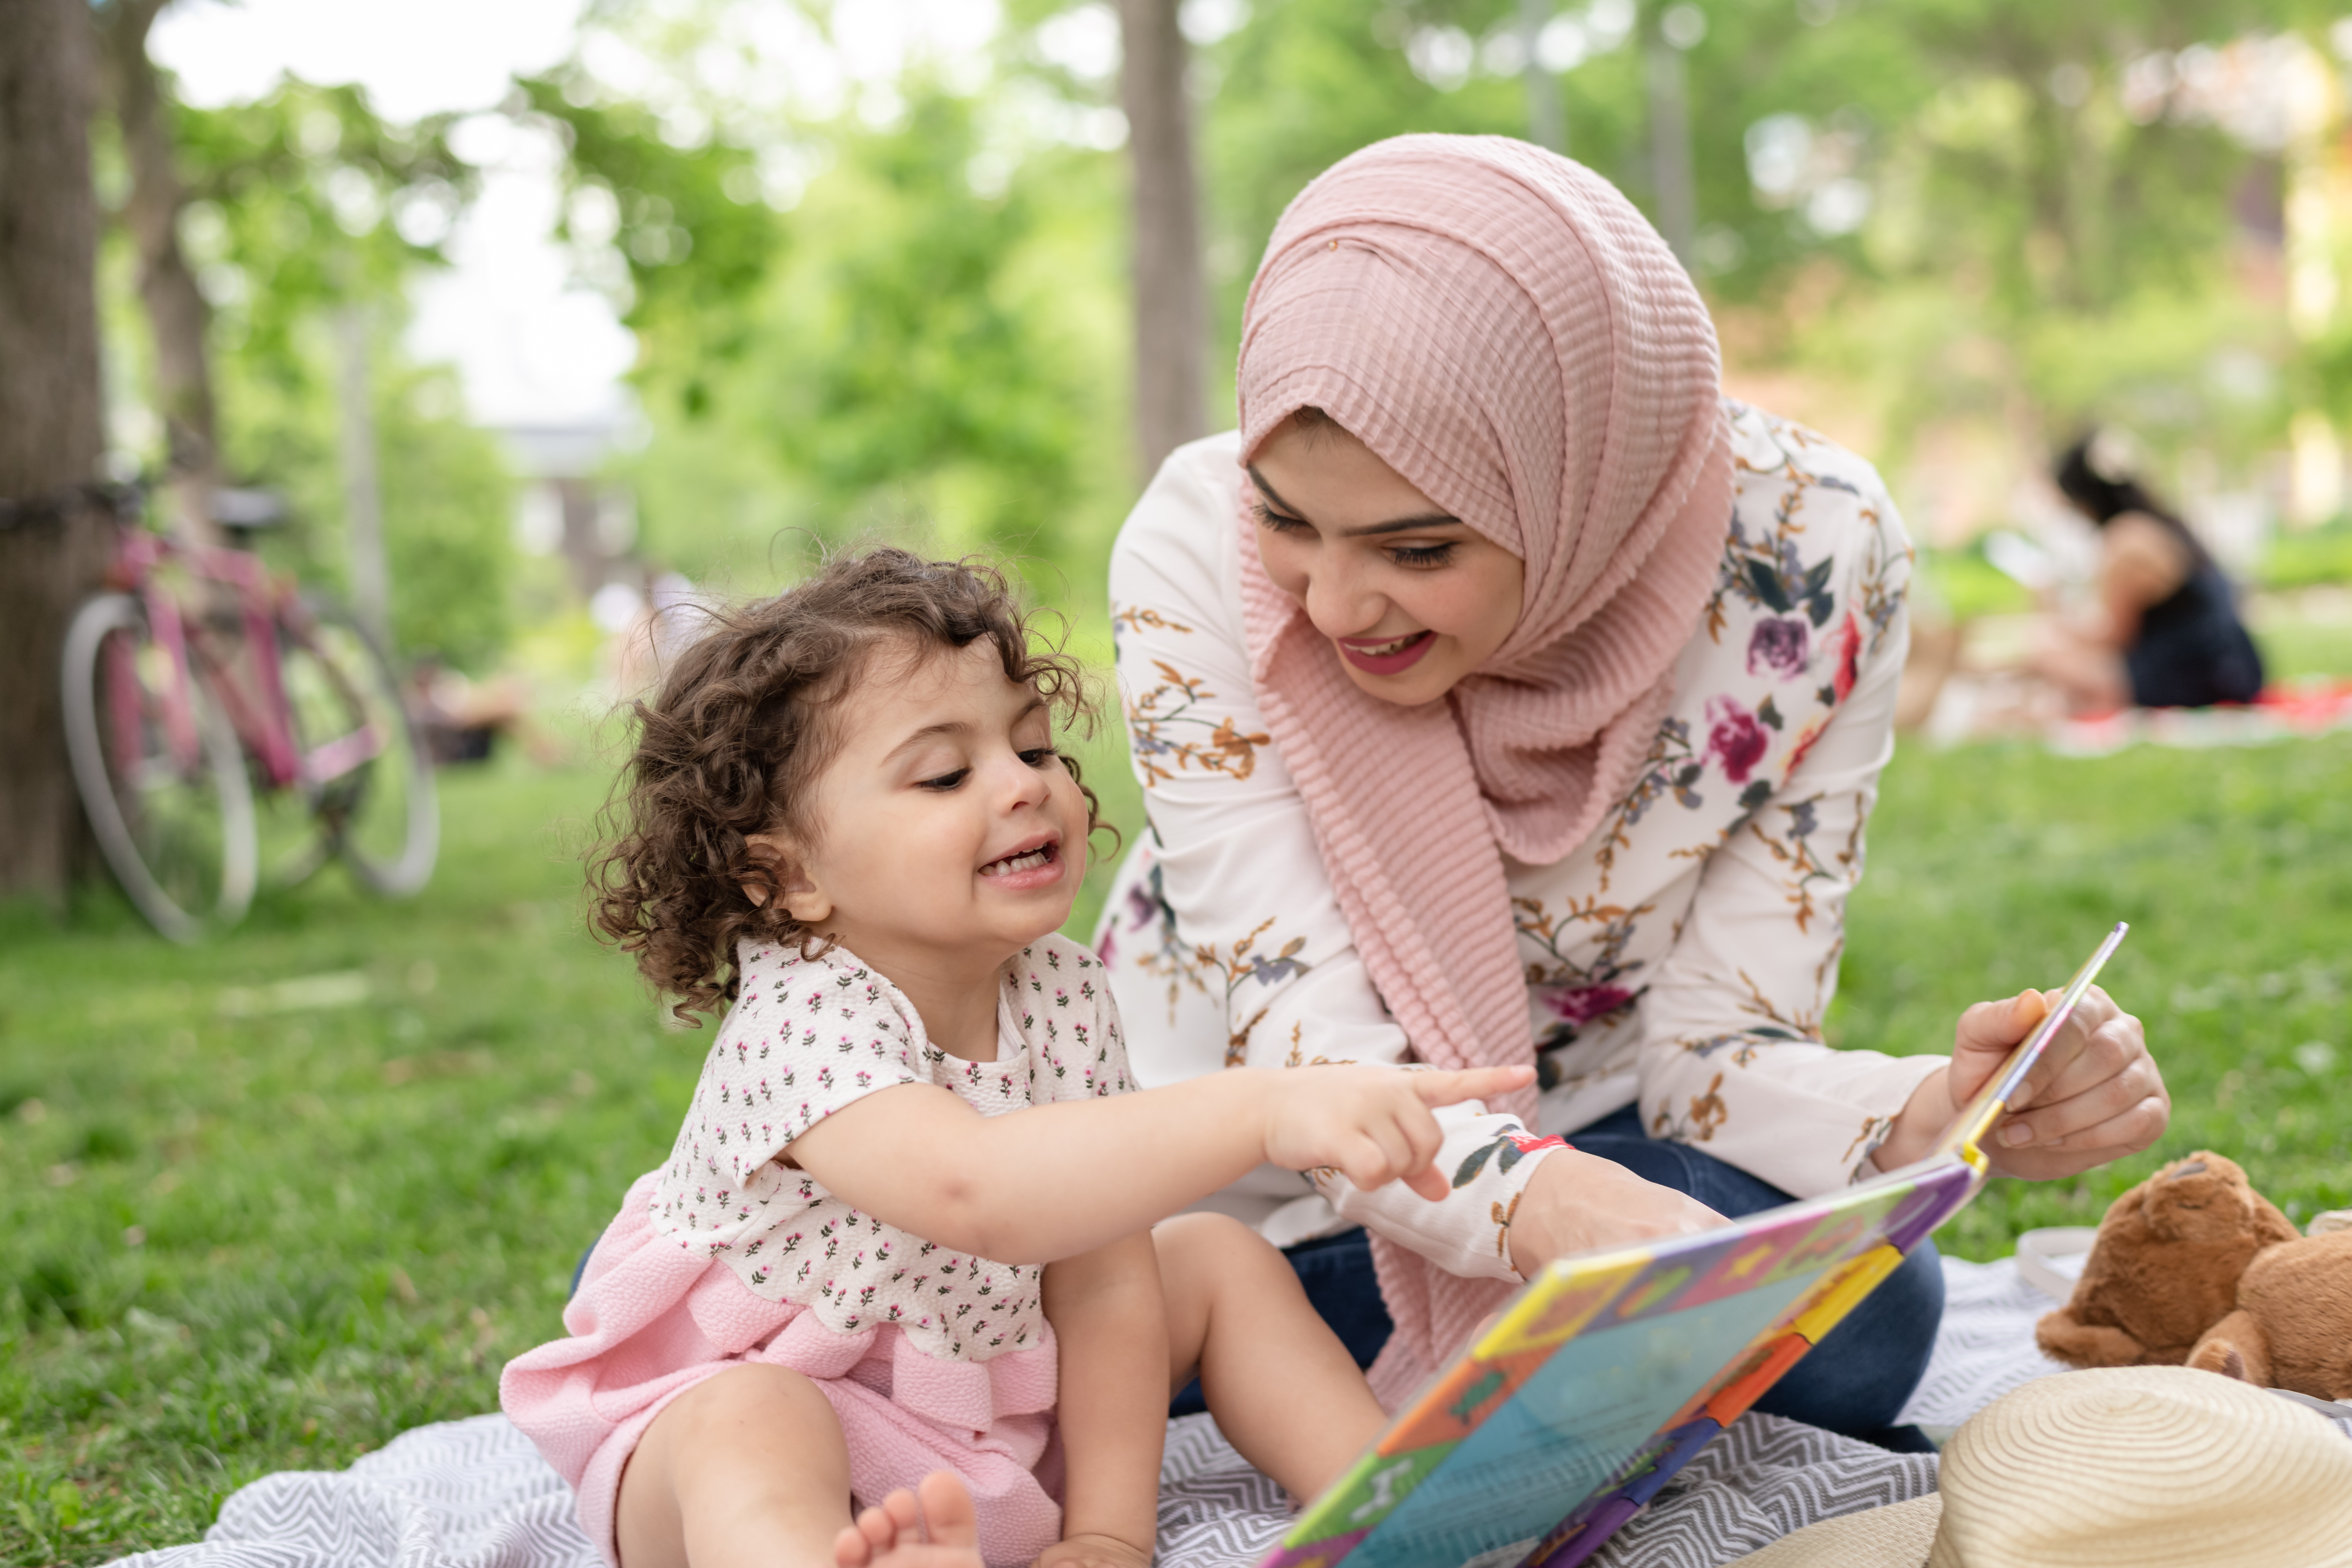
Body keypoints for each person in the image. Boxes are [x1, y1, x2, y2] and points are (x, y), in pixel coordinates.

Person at [1094, 135, 2170, 1446]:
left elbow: (1718, 1050)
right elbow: (1313, 1064)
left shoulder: (1815, 557)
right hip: (1258, 1208)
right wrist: (1545, 1213)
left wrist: (1935, 1111)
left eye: (1414, 547)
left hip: (1605, 1134)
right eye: (1289, 524)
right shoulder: (1196, 550)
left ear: (1577, 481)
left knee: (1876, 1309)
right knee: (1759, 1310)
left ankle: (1557, 1391)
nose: (1327, 605)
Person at [499, 549, 1532, 1568]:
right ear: (788, 877)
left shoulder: (1064, 990)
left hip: (980, 1403)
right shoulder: (803, 1014)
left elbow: (1102, 1274)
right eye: (946, 773)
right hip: (737, 1422)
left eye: (1033, 750)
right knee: (755, 1421)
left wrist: (1107, 1534)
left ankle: (1408, 1515)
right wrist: (1264, 1107)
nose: (1022, 787)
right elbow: (977, 1188)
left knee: (1214, 1260)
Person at [2030, 430, 2265, 713]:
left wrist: (2056, 615)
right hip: (2233, 667)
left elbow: (2116, 637)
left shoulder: (2125, 541)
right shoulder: (2160, 525)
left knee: (2045, 650)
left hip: (2196, 678)